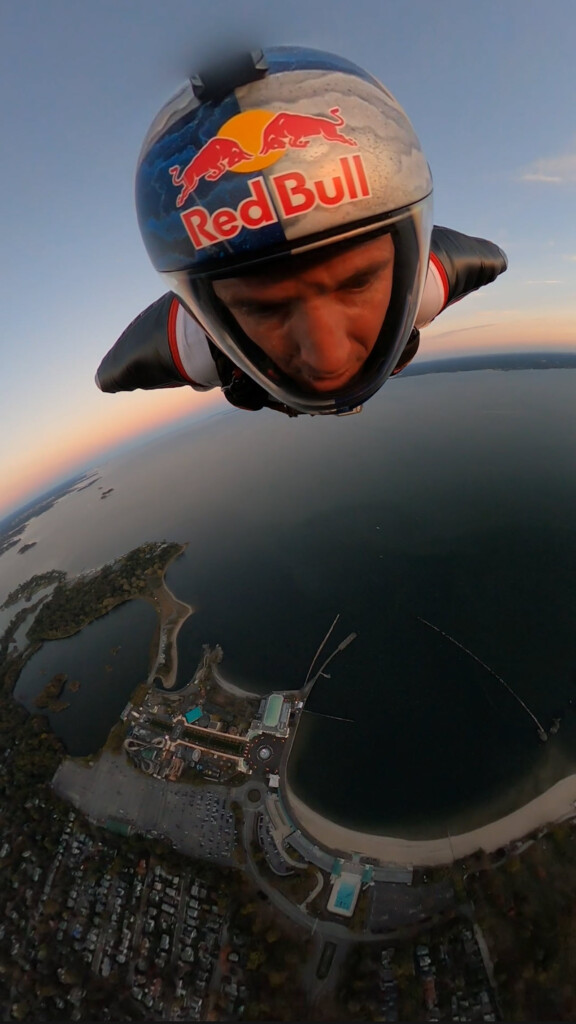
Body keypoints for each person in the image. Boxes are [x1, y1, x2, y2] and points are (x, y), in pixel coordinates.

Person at [96, 46, 507, 417]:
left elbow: (111, 374)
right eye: (264, 307)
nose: (328, 360)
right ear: (210, 318)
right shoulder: (201, 343)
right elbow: (490, 258)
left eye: (359, 281)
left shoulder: (195, 350)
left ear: (407, 267)